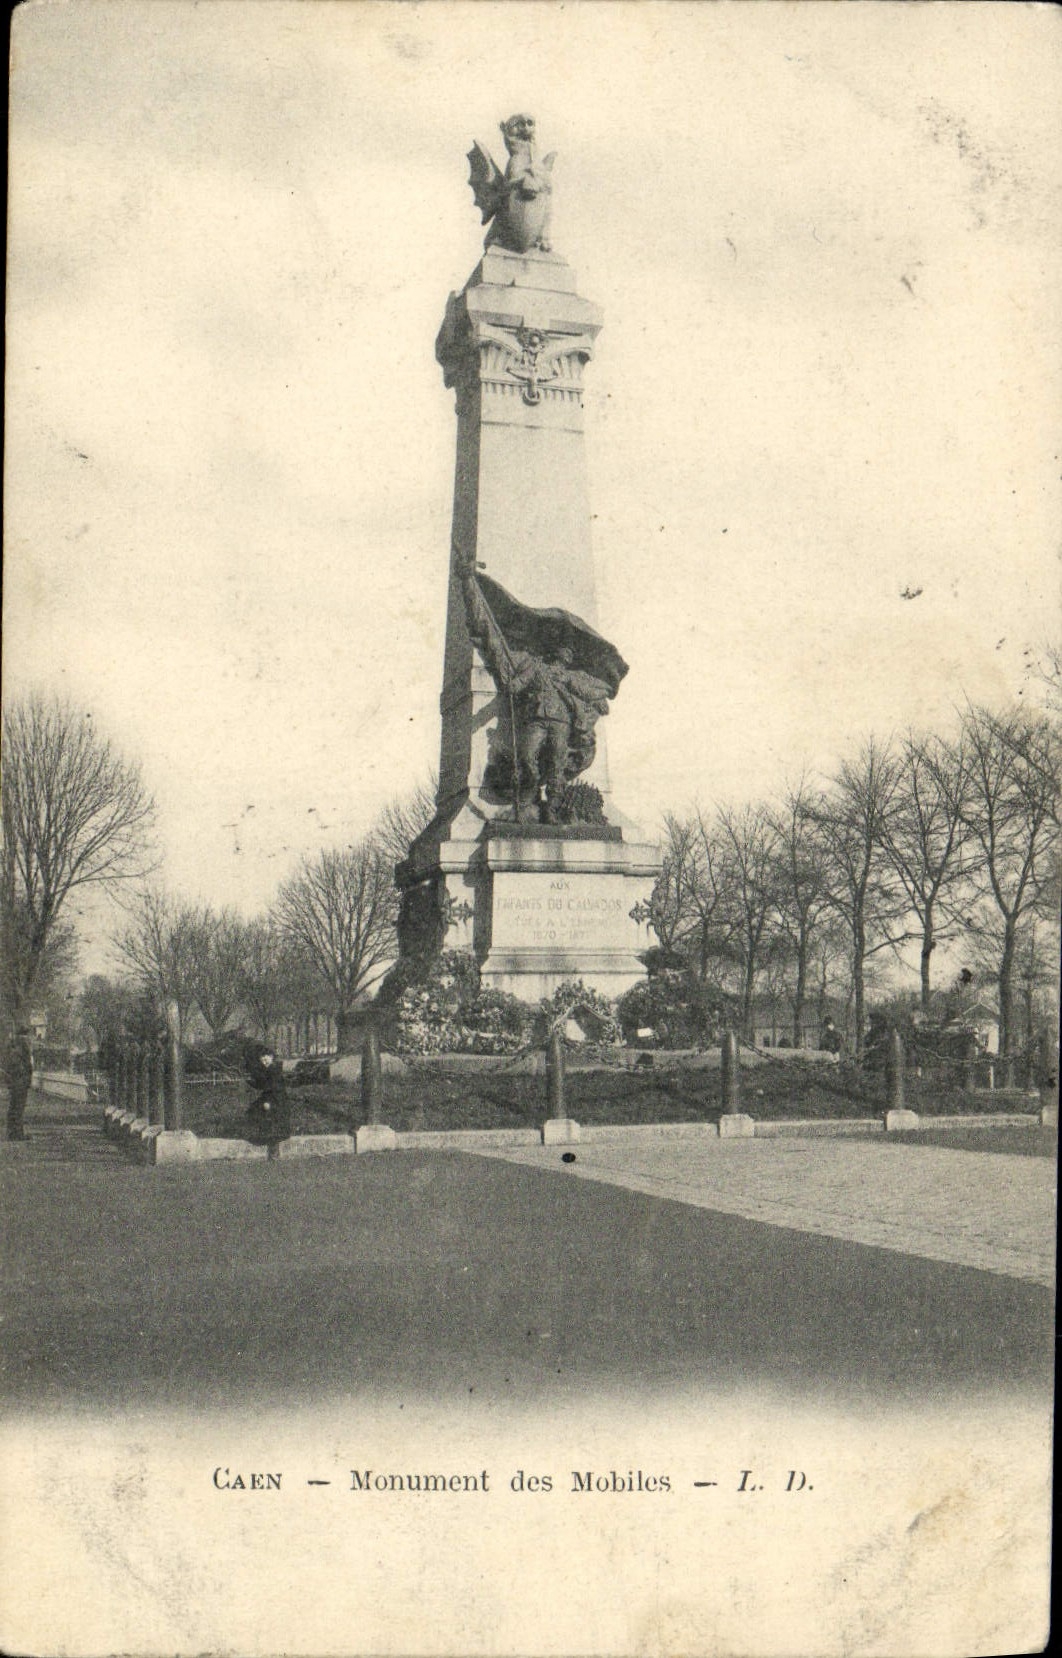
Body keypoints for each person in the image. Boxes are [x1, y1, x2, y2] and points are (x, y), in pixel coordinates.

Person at [244, 1046, 291, 1147]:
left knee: (262, 1112)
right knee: (255, 1110)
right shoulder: (270, 1069)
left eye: (265, 1060)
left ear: (271, 1057)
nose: (264, 1063)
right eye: (262, 1061)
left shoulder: (274, 1069)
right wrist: (249, 1082)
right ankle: (266, 1136)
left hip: (276, 1097)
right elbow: (263, 1085)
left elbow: (274, 1087)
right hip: (272, 1096)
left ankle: (269, 1139)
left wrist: (268, 1101)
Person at [4, 1028, 34, 1142]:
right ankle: (16, 1134)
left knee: (15, 1108)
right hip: (19, 1082)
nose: (27, 1039)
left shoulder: (15, 1050)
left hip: (18, 1082)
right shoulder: (20, 1051)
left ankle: (14, 1133)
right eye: (25, 1036)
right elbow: (23, 1067)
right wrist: (25, 1078)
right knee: (17, 1108)